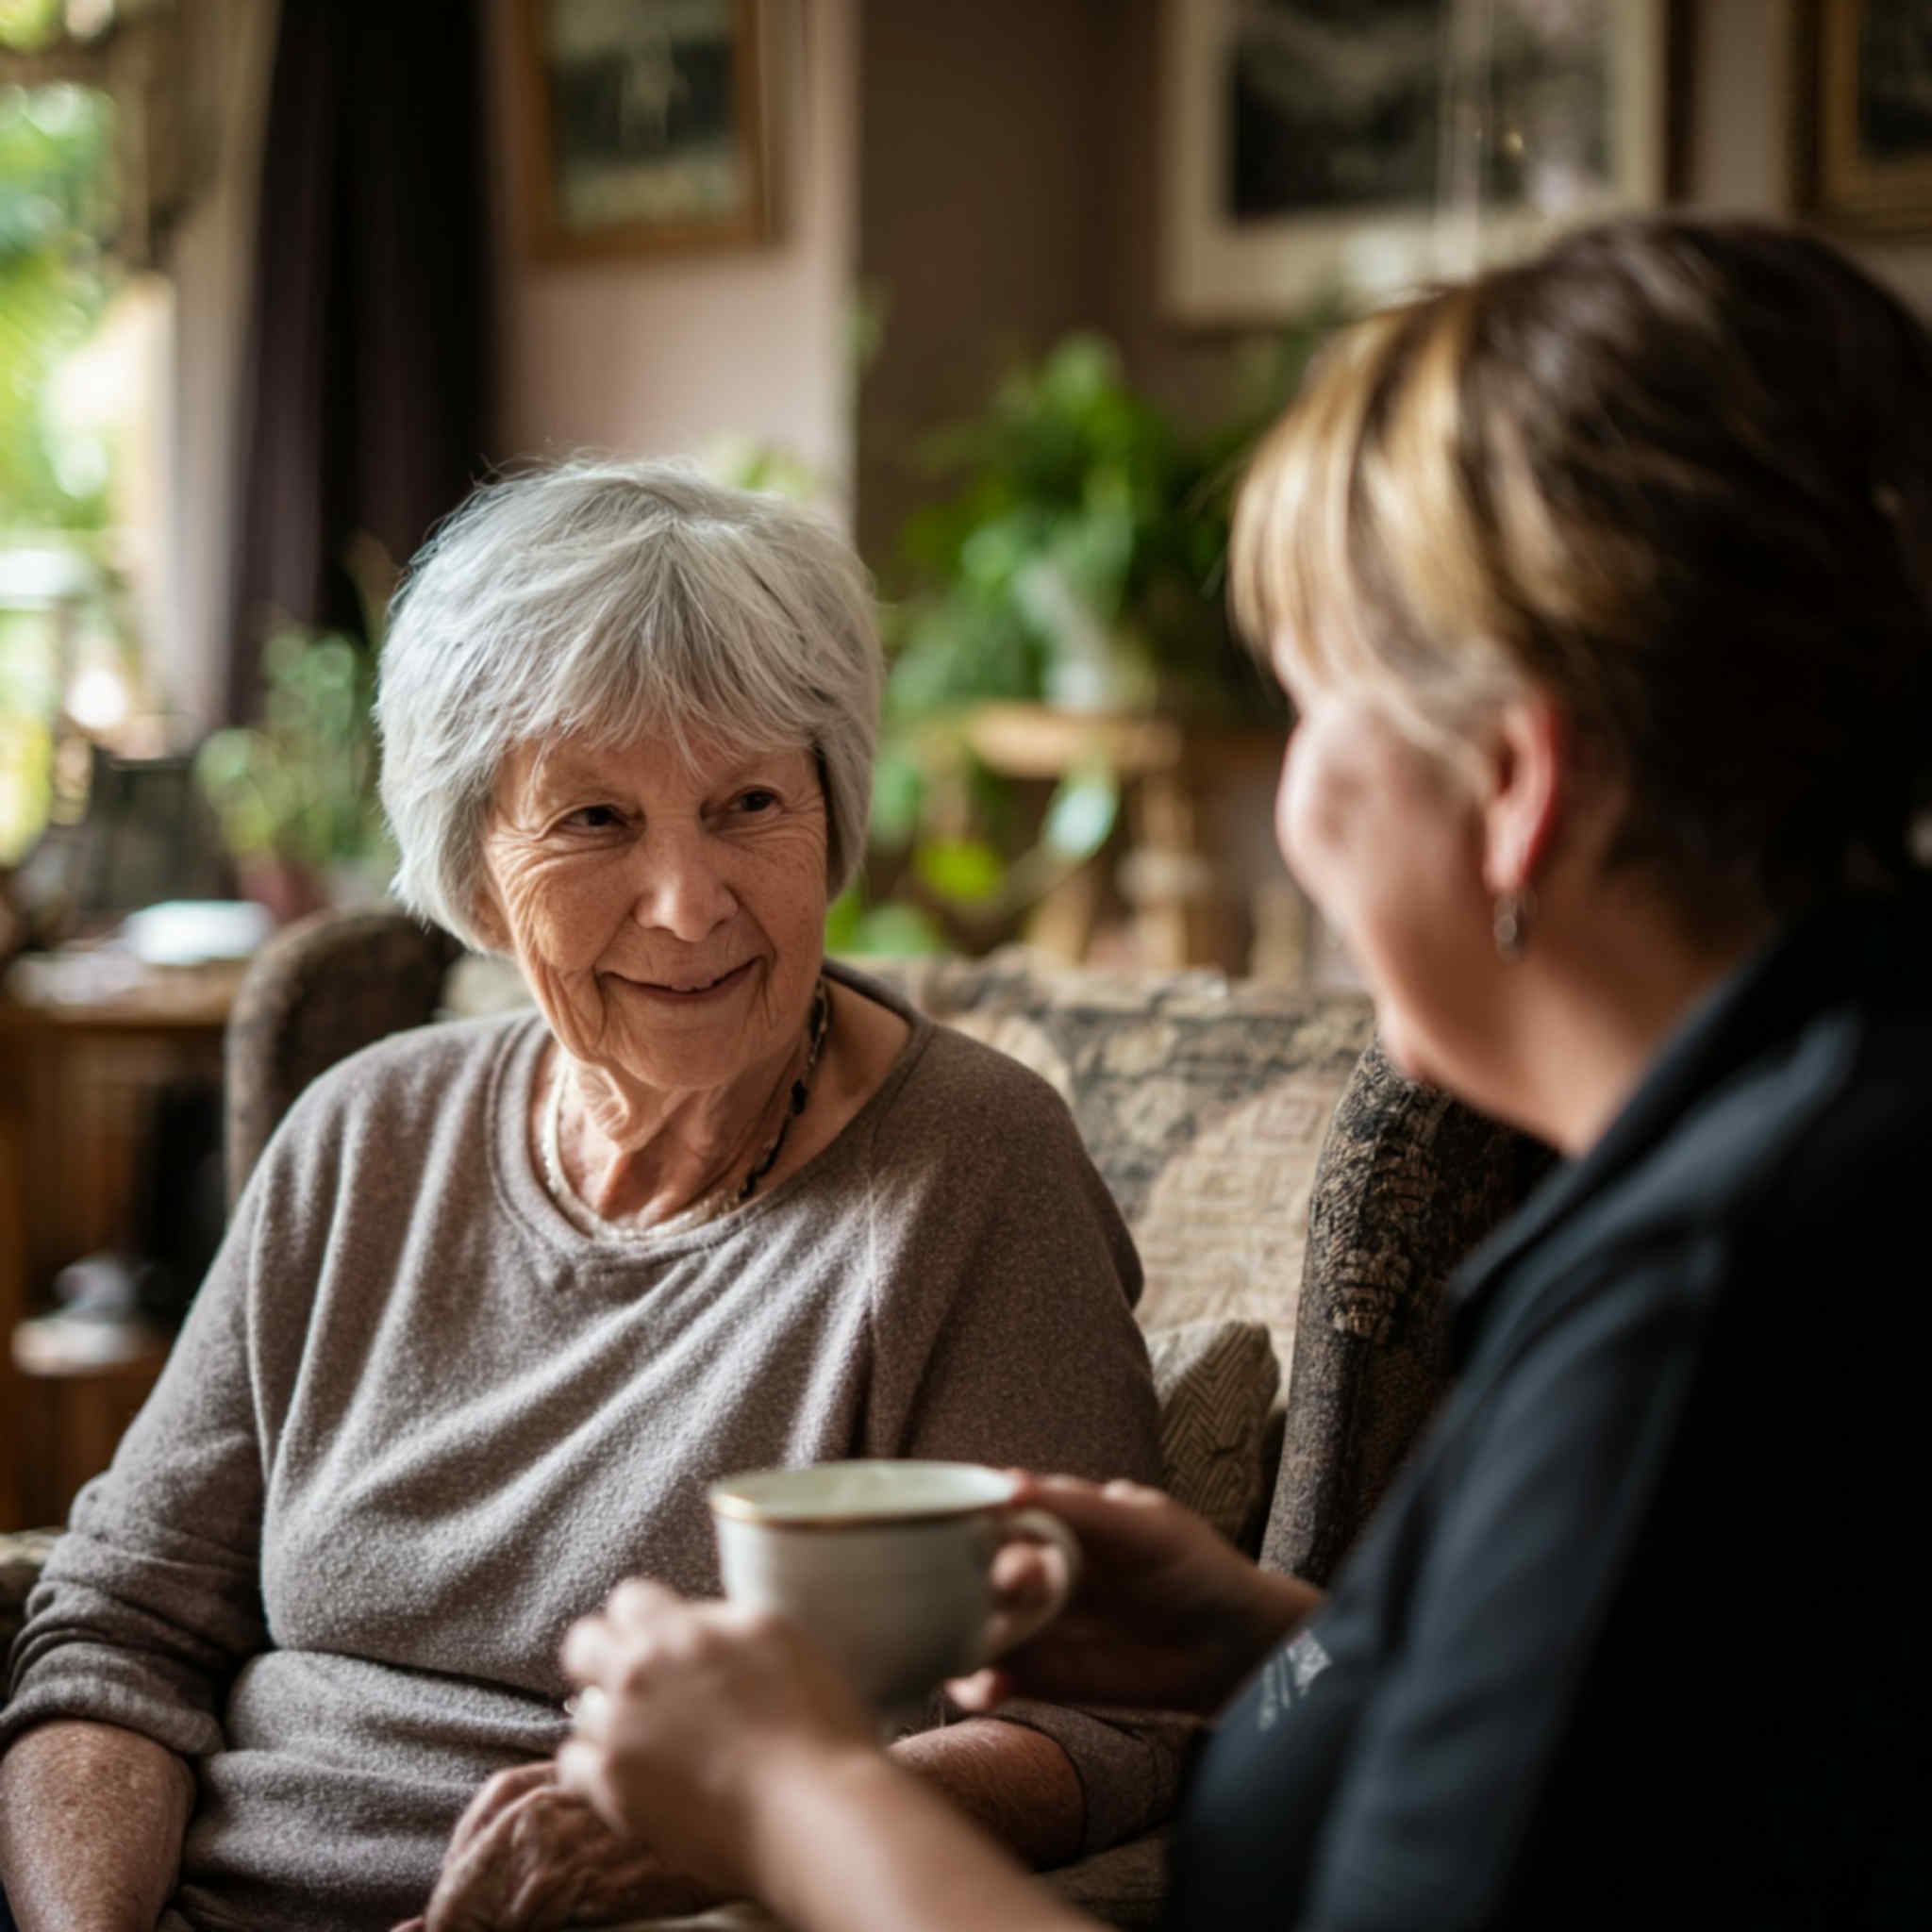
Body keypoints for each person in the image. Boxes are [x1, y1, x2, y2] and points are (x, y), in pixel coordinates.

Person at [552, 218, 1932, 1929]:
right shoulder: (1809, 1130)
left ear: (1515, 785)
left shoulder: (1710, 1313)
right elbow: (1672, 1773)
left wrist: (782, 1789)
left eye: (1308, 706)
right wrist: (1275, 1643)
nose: (1288, 801)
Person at [0, 463, 1175, 1932]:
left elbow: (1101, 1737)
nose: (687, 903)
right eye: (597, 821)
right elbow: (120, 1627)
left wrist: (712, 1837)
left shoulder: (972, 1174)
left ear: (833, 812)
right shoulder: (361, 1137)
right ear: (480, 874)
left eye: (747, 802)